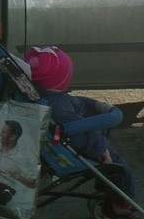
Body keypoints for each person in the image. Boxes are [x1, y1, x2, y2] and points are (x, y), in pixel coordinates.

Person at [26, 46, 136, 209]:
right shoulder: (60, 110)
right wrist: (101, 149)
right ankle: (122, 208)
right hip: (80, 150)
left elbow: (77, 103)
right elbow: (82, 137)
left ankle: (107, 193)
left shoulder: (42, 97)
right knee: (119, 169)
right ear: (62, 80)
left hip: (54, 145)